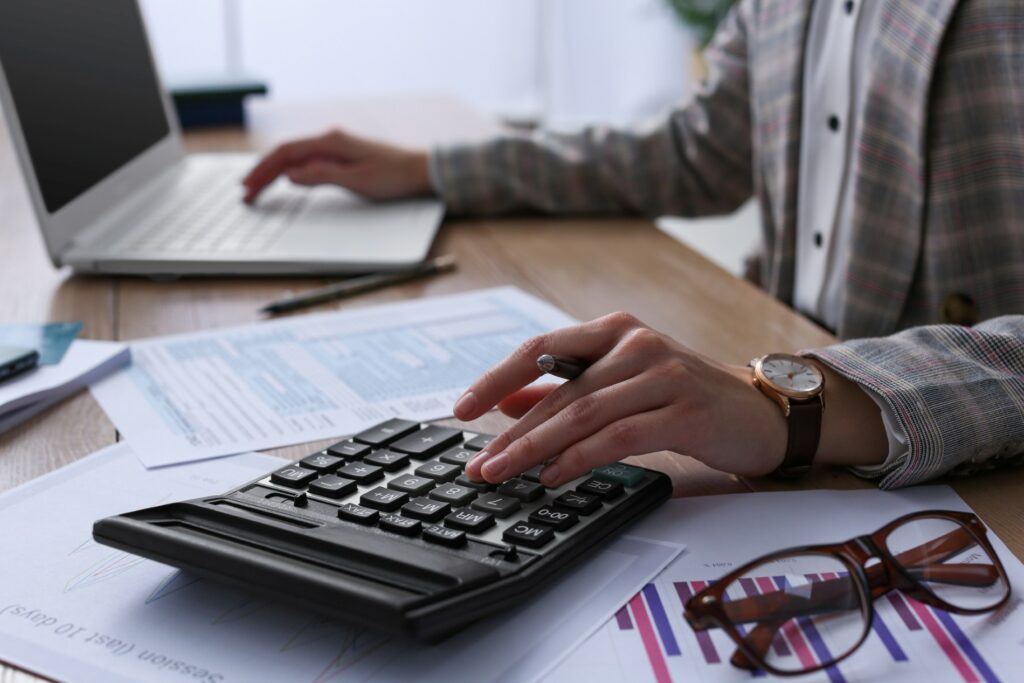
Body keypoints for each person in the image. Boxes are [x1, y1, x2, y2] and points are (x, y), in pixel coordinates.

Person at [242, 0, 1024, 489]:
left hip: (955, 473)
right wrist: (436, 167)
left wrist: (797, 407)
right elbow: (699, 152)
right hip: (788, 436)